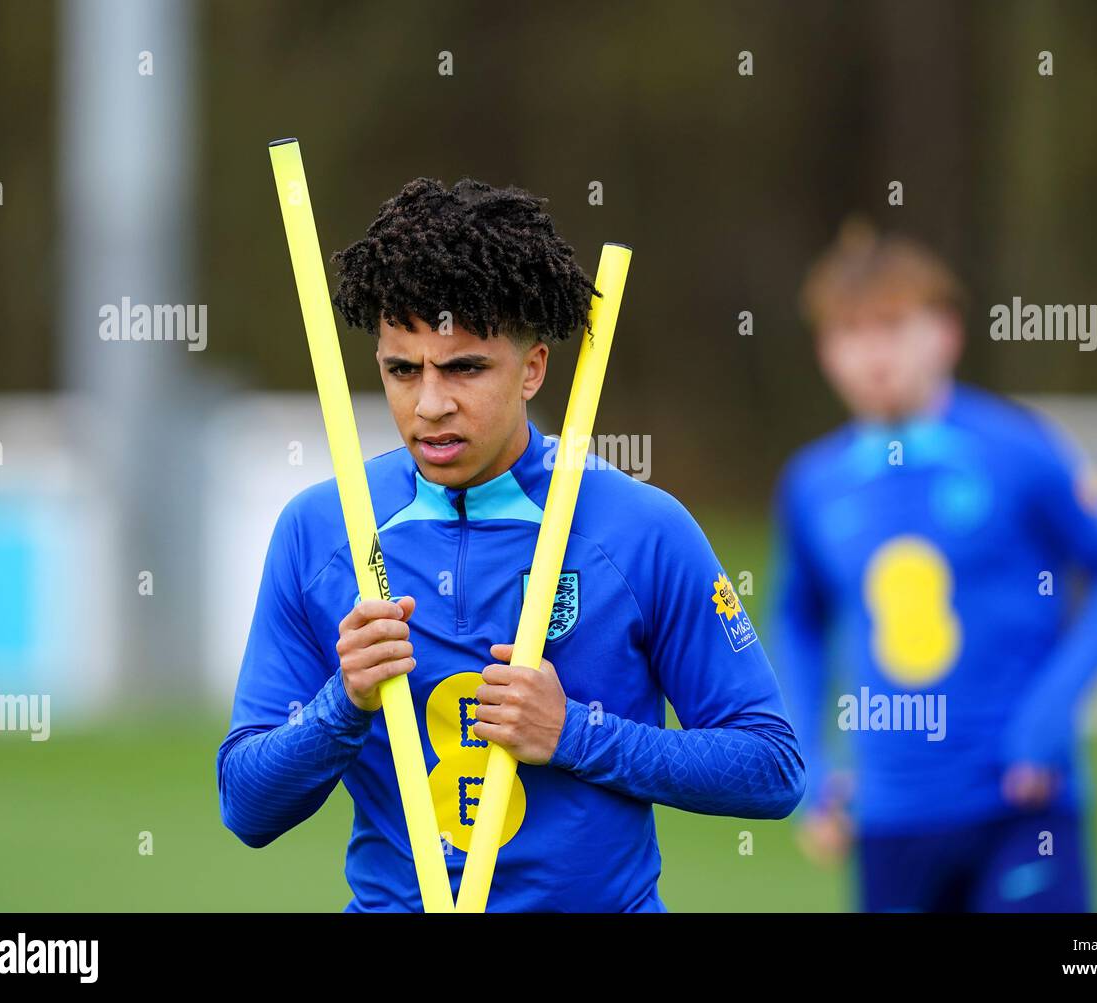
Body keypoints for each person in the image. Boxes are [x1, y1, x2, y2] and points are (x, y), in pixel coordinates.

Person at [217, 176, 804, 912]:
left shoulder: (641, 529)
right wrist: (345, 702)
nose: (430, 404)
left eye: (464, 368)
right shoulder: (321, 530)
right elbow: (246, 805)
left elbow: (771, 767)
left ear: (532, 368)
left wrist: (577, 734)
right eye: (403, 370)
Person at [771, 219, 1097, 912]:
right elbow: (797, 616)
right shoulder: (814, 481)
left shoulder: (1017, 449)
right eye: (848, 332)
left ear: (946, 332)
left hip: (1020, 803)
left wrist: (1047, 716)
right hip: (888, 816)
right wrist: (810, 761)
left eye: (892, 326)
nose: (872, 354)